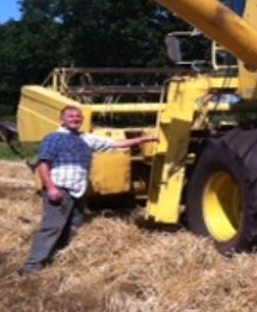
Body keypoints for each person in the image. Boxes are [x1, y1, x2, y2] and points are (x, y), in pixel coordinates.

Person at [20, 105, 157, 274]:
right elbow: (43, 164)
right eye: (70, 116)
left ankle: (58, 258)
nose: (75, 119)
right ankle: (32, 265)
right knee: (52, 227)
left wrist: (141, 140)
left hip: (78, 190)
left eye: (78, 116)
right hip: (60, 188)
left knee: (73, 226)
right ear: (62, 120)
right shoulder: (53, 138)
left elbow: (114, 144)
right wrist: (51, 188)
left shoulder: (85, 138)